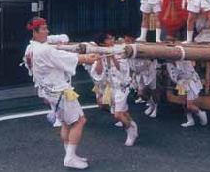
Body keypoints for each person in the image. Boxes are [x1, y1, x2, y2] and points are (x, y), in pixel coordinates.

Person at [23, 17, 98, 170]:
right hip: (60, 92)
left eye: (46, 28)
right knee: (79, 121)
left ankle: (70, 155)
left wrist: (63, 41)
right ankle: (69, 158)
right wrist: (86, 58)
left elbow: (56, 43)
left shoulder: (30, 48)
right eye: (43, 29)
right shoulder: (45, 50)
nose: (47, 31)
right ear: (35, 32)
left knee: (66, 122)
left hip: (48, 91)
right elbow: (68, 59)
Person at [94, 33, 139, 146]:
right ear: (102, 43)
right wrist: (99, 59)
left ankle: (131, 131)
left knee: (118, 115)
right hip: (111, 87)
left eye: (112, 37)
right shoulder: (99, 52)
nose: (112, 39)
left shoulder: (119, 51)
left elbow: (123, 69)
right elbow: (98, 73)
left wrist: (112, 56)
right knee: (123, 112)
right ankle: (132, 124)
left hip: (121, 86)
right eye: (109, 38)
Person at [124, 34, 159, 118]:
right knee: (141, 94)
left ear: (133, 40)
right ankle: (151, 105)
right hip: (139, 74)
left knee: (153, 91)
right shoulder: (125, 49)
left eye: (128, 41)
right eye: (125, 40)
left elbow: (152, 57)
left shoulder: (141, 48)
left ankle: (156, 108)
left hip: (149, 73)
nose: (126, 43)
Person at [166, 60, 208, 127]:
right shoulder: (168, 64)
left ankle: (201, 113)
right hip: (181, 83)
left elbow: (189, 71)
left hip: (191, 82)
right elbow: (173, 76)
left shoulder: (184, 60)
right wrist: (178, 81)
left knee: (189, 105)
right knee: (183, 103)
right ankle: (190, 120)